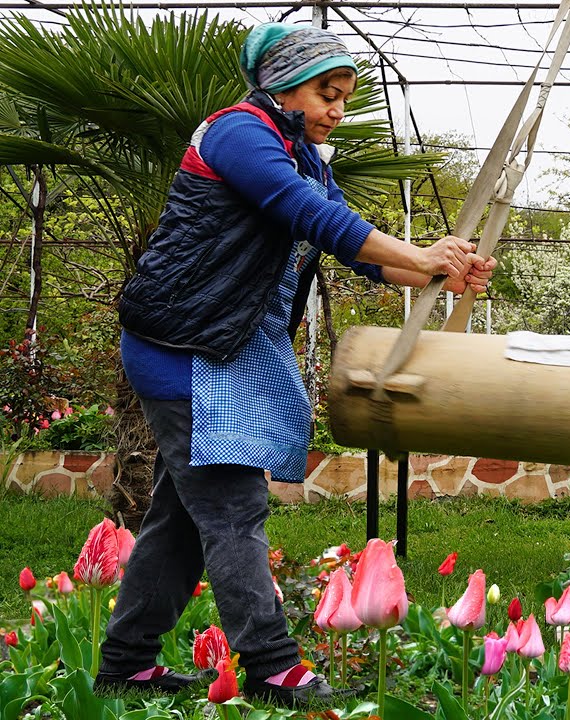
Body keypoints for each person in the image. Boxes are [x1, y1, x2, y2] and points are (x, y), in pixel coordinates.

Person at [95, 23, 496, 705]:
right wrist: (422, 258)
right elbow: (309, 216)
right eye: (325, 92)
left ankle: (126, 666)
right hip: (180, 346)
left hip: (220, 345)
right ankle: (274, 668)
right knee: (230, 505)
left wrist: (435, 271)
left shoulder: (304, 156)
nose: (337, 108)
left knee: (183, 519)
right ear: (280, 85)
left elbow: (352, 243)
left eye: (343, 95)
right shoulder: (237, 132)